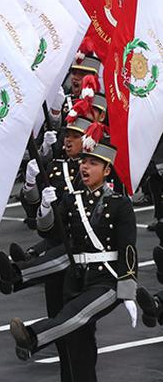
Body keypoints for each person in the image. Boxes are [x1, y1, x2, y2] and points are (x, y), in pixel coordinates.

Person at [9, 142, 138, 381]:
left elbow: (128, 247)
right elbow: (50, 234)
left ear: (107, 170)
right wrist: (45, 208)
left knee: (74, 316)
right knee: (78, 342)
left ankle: (32, 337)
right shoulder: (71, 200)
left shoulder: (120, 203)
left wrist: (128, 289)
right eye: (84, 162)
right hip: (77, 277)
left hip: (106, 280)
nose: (85, 167)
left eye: (93, 163)